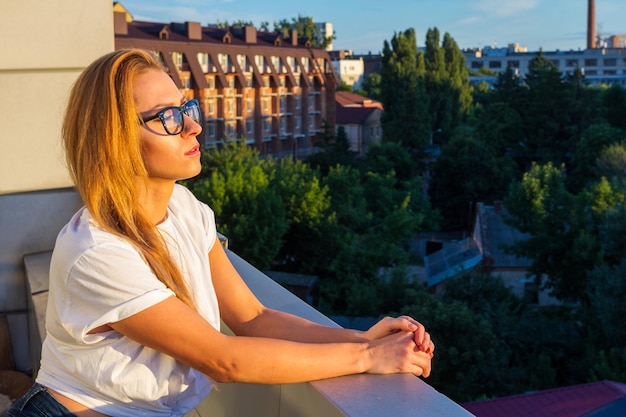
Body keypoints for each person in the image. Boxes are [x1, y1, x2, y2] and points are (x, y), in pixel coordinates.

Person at [7, 49, 434, 417]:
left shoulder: (185, 209)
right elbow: (223, 359)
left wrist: (361, 337)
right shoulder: (97, 251)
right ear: (115, 138)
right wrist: (366, 357)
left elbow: (253, 317)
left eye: (186, 109)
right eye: (168, 118)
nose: (193, 127)